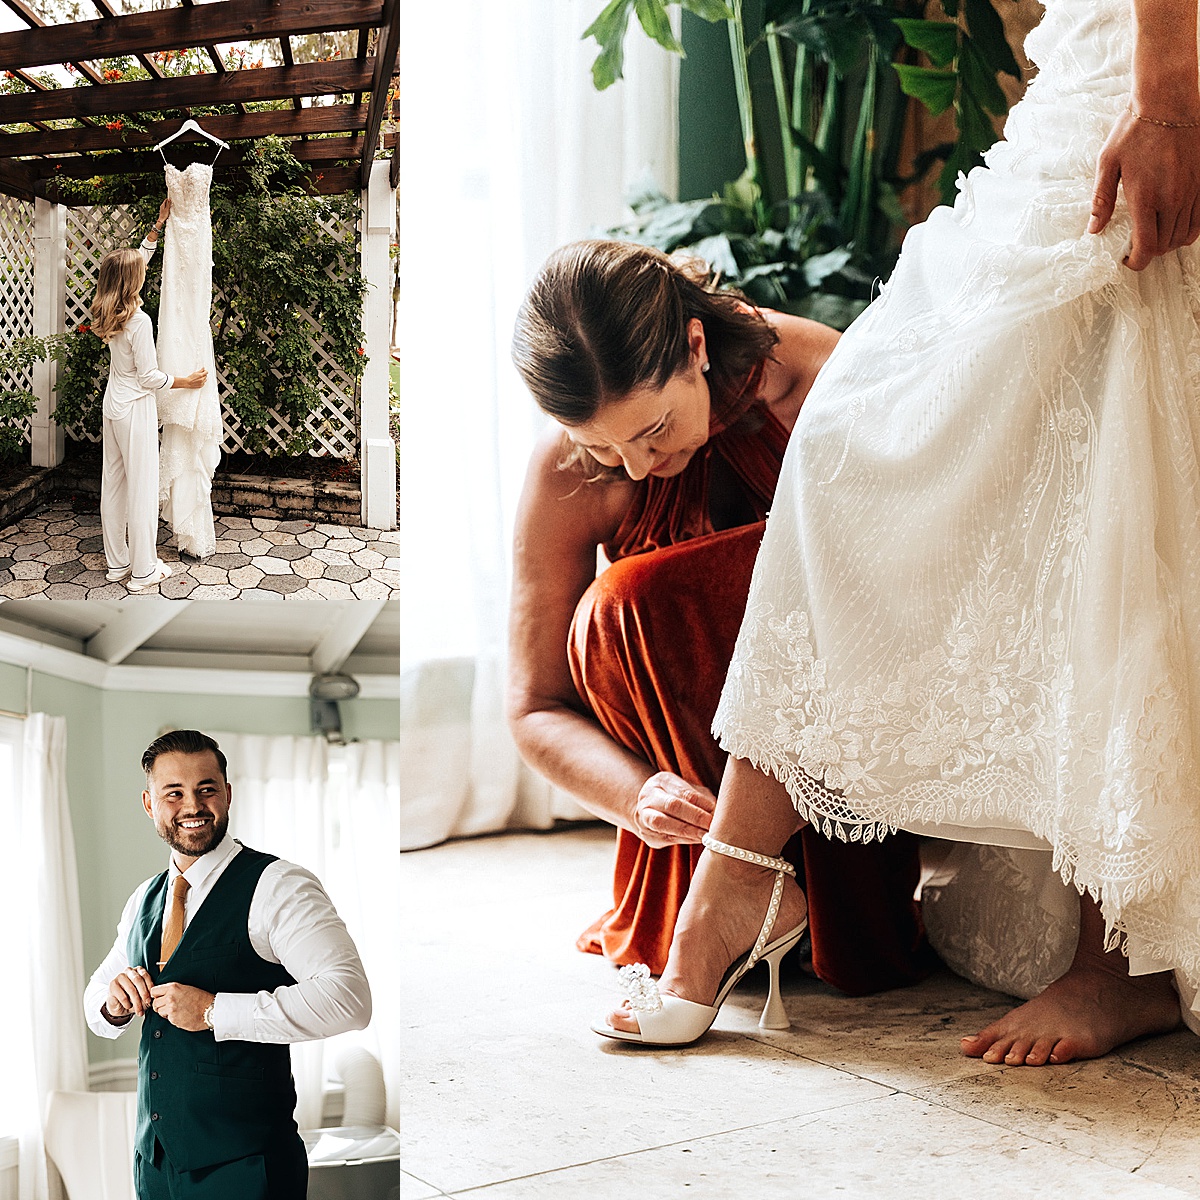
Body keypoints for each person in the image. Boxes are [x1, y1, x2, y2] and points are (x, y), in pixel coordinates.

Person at [599, 0, 1200, 1061]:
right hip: (1086, 73)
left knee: (1125, 450)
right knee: (913, 462)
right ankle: (737, 891)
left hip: (1152, 73)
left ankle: (1125, 960)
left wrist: (1169, 107)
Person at [508, 241, 937, 1006]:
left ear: (697, 347)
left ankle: (793, 888)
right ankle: (720, 884)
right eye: (599, 445)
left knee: (654, 592)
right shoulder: (571, 471)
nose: (636, 468)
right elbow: (535, 705)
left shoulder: (824, 383)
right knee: (617, 610)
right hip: (683, 782)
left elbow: (918, 601)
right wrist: (638, 795)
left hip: (851, 735)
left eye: (652, 431)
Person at [84, 730, 371, 1198]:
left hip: (247, 1168)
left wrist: (214, 1012)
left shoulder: (279, 885)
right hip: (155, 1167)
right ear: (149, 804)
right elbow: (97, 999)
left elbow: (349, 999)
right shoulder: (144, 899)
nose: (192, 805)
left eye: (206, 789)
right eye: (173, 793)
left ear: (227, 793)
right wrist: (115, 1002)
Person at [91, 197, 208, 592]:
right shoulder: (138, 321)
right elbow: (149, 377)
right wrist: (184, 381)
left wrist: (157, 227)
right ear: (132, 281)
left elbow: (135, 260)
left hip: (113, 405)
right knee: (141, 488)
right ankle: (142, 572)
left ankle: (116, 563)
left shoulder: (108, 308)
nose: (144, 272)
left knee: (114, 484)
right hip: (136, 408)